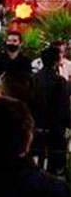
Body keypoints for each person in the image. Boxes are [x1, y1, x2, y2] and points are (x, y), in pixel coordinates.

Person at [31, 46, 70, 177]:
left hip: (36, 125)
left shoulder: (34, 79)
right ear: (57, 60)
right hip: (55, 128)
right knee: (55, 162)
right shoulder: (60, 82)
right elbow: (63, 106)